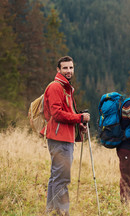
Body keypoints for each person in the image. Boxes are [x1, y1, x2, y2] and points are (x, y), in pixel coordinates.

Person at [41, 56, 90, 215]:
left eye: (71, 68)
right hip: (59, 139)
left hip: (63, 138)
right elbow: (56, 114)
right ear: (58, 70)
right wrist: (80, 118)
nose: (69, 71)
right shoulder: (56, 87)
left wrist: (78, 125)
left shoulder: (66, 88)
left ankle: (51, 211)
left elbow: (66, 113)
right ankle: (62, 212)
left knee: (56, 177)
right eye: (65, 68)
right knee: (62, 178)